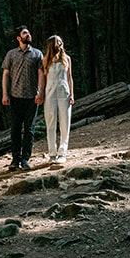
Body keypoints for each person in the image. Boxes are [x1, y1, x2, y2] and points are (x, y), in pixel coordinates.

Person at [1, 25, 42, 170]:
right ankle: (15, 159)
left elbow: (41, 74)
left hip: (32, 97)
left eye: (29, 33)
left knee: (29, 129)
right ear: (19, 38)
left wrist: (40, 92)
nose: (28, 35)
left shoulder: (37, 54)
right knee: (15, 129)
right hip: (16, 97)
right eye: (25, 33)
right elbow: (5, 74)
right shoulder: (11, 54)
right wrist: (5, 94)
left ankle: (25, 159)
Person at [37, 35, 74, 164]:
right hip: (50, 93)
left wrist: (72, 95)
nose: (61, 43)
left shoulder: (67, 59)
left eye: (61, 41)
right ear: (52, 44)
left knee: (65, 122)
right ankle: (52, 153)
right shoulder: (45, 60)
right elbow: (43, 79)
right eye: (58, 42)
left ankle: (62, 153)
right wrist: (41, 94)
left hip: (64, 92)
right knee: (50, 123)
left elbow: (69, 78)